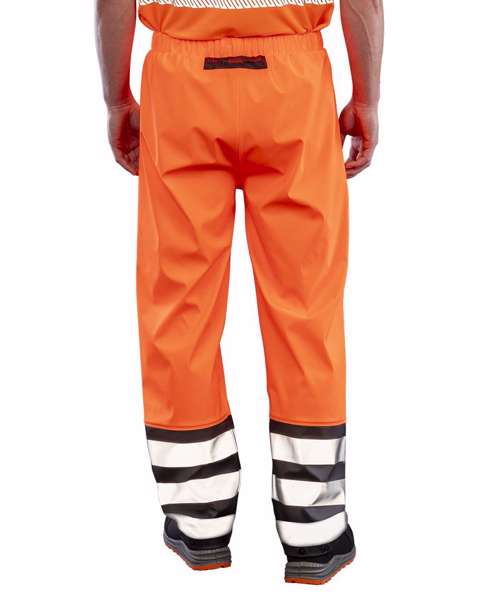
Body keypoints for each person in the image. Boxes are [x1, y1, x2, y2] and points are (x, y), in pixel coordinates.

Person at [96, 0, 383, 585]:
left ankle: (199, 522)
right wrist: (368, 97)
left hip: (181, 83)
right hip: (293, 84)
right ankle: (314, 530)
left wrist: (117, 98)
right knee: (307, 308)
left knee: (179, 305)